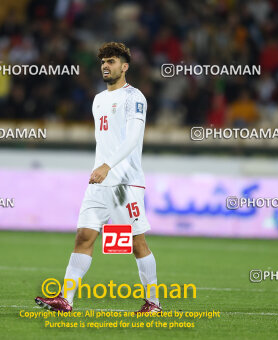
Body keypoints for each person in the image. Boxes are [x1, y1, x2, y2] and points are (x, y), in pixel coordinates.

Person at [35, 42, 161, 314]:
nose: (106, 65)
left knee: (135, 243)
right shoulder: (98, 100)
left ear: (125, 66)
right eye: (103, 61)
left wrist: (107, 165)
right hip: (100, 183)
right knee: (83, 237)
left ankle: (153, 302)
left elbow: (133, 138)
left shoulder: (134, 97)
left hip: (125, 183)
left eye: (112, 61)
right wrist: (101, 169)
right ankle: (65, 299)